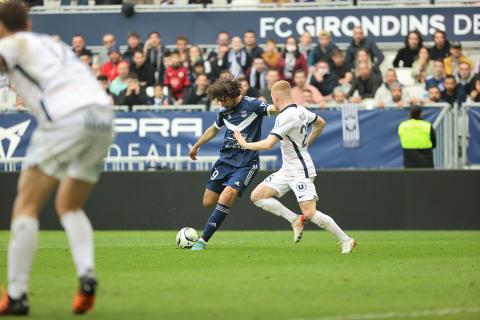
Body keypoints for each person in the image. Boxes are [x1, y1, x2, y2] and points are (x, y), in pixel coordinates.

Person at [0, 1, 114, 315]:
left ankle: (18, 295)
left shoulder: (12, 43)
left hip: (67, 117)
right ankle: (87, 273)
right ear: (28, 23)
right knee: (69, 205)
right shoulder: (52, 44)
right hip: (103, 118)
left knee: (25, 205)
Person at [233, 80, 356, 253]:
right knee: (258, 196)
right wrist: (307, 143)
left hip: (300, 170)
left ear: (275, 98)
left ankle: (346, 240)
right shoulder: (301, 110)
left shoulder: (285, 116)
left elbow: (269, 144)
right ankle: (294, 220)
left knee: (310, 213)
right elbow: (320, 122)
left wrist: (244, 144)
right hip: (287, 169)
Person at [188, 75, 274, 250]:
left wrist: (291, 109)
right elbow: (213, 129)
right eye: (219, 101)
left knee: (227, 195)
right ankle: (225, 201)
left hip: (246, 162)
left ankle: (202, 240)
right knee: (208, 201)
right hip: (225, 161)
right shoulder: (223, 111)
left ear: (233, 94)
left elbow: (274, 109)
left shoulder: (254, 105)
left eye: (224, 100)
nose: (221, 104)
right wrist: (196, 146)